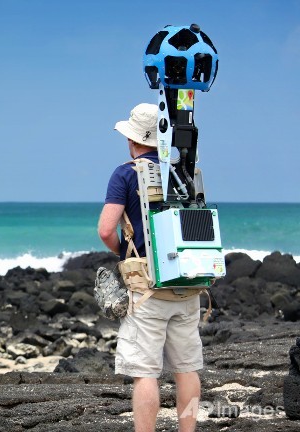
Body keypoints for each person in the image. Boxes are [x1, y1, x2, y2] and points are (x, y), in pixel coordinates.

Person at [98, 103, 203, 432]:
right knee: (186, 369)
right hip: (187, 283)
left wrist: (124, 254)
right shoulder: (183, 172)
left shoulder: (126, 173)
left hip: (147, 288)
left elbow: (105, 229)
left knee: (146, 373)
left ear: (132, 140)